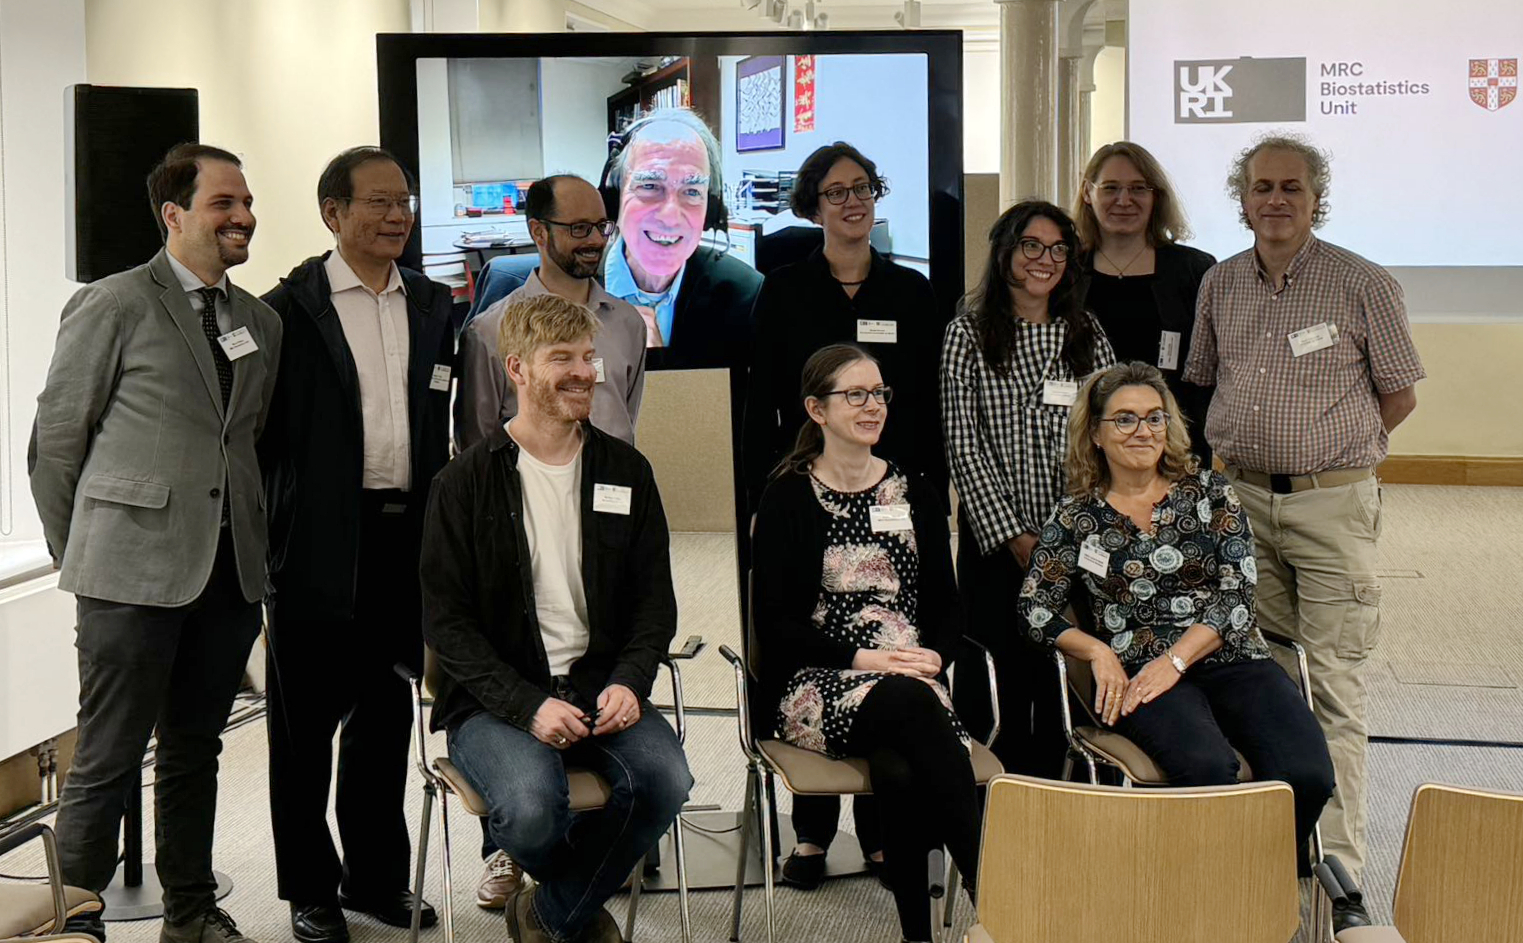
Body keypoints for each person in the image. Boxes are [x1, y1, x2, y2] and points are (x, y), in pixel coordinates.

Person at [28, 143, 282, 943]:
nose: (243, 216)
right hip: (126, 575)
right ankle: (70, 924)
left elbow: (245, 444)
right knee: (107, 757)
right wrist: (86, 554)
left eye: (246, 202)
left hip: (228, 574)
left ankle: (191, 911)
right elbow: (55, 444)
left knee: (194, 750)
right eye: (223, 203)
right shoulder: (113, 303)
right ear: (173, 214)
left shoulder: (260, 321)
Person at [1183, 133, 1423, 931]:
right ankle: (1278, 858)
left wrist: (1330, 453)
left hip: (1330, 508)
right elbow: (1204, 382)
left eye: (1291, 187)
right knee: (1265, 682)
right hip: (1242, 504)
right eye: (1261, 186)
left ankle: (1340, 879)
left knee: (1334, 686)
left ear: (1316, 198)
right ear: (1241, 198)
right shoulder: (1219, 282)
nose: (1275, 200)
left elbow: (1398, 395)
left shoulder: (1362, 282)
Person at [419, 293, 692, 943]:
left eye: (589, 357)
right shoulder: (463, 484)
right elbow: (447, 625)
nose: (584, 372)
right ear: (516, 368)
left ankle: (548, 912)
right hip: (496, 699)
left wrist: (630, 680)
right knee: (532, 809)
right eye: (562, 357)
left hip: (601, 685)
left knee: (664, 781)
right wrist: (527, 706)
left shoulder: (625, 470)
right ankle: (577, 909)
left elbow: (655, 602)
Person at [1020, 361, 1335, 865]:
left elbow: (1237, 596)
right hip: (1140, 673)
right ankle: (1204, 890)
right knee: (1207, 769)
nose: (1142, 431)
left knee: (1308, 774)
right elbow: (1035, 607)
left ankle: (1253, 878)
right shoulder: (1075, 515)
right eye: (1124, 419)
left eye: (1154, 417)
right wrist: (1097, 651)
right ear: (1096, 433)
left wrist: (1177, 660)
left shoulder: (1211, 493)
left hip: (1233, 658)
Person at [741, 142, 948, 890]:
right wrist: (763, 498)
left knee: (889, 635)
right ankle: (810, 834)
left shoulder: (912, 291)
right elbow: (761, 401)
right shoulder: (785, 290)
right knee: (813, 628)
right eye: (836, 191)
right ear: (813, 205)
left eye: (863, 187)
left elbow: (926, 404)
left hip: (892, 494)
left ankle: (886, 835)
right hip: (809, 493)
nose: (852, 201)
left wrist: (925, 494)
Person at [257, 146, 452, 941]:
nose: (397, 214)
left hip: (404, 538)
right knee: (302, 728)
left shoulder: (432, 302)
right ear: (332, 212)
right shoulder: (284, 310)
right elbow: (259, 436)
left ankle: (374, 877)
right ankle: (310, 887)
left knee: (383, 718)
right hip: (315, 542)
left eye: (404, 200)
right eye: (378, 201)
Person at [752, 344, 979, 943]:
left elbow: (948, 603)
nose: (873, 405)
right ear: (817, 410)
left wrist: (938, 655)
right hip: (817, 681)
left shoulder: (915, 491)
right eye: (855, 394)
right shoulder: (787, 497)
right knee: (911, 707)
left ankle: (917, 936)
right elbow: (775, 624)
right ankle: (998, 894)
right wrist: (866, 659)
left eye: (878, 393)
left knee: (899, 766)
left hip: (910, 677)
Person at [940, 201, 1116, 775]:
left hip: (1077, 543)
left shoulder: (1087, 333)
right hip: (997, 543)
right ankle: (995, 805)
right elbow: (963, 444)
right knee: (999, 682)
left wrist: (1069, 535)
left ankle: (1067, 801)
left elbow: (1111, 436)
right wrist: (1015, 535)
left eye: (1058, 249)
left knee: (1067, 687)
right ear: (1005, 252)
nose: (1046, 259)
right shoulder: (967, 334)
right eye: (1031, 246)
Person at [456, 174, 647, 453]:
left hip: (612, 479)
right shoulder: (490, 331)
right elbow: (476, 447)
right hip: (527, 480)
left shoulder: (628, 323)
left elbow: (627, 418)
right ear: (539, 232)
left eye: (601, 226)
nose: (596, 240)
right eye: (579, 228)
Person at [1071, 141, 1217, 466]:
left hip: (1176, 451)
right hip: (1089, 455)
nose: (1124, 200)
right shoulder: (1066, 273)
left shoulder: (1194, 270)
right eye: (1111, 188)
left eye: (1138, 188)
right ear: (1087, 193)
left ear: (1156, 197)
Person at [601, 107, 762, 370]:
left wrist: (658, 364)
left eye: (692, 191)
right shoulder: (564, 290)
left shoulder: (748, 296)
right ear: (613, 198)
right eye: (650, 186)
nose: (670, 217)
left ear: (710, 209)